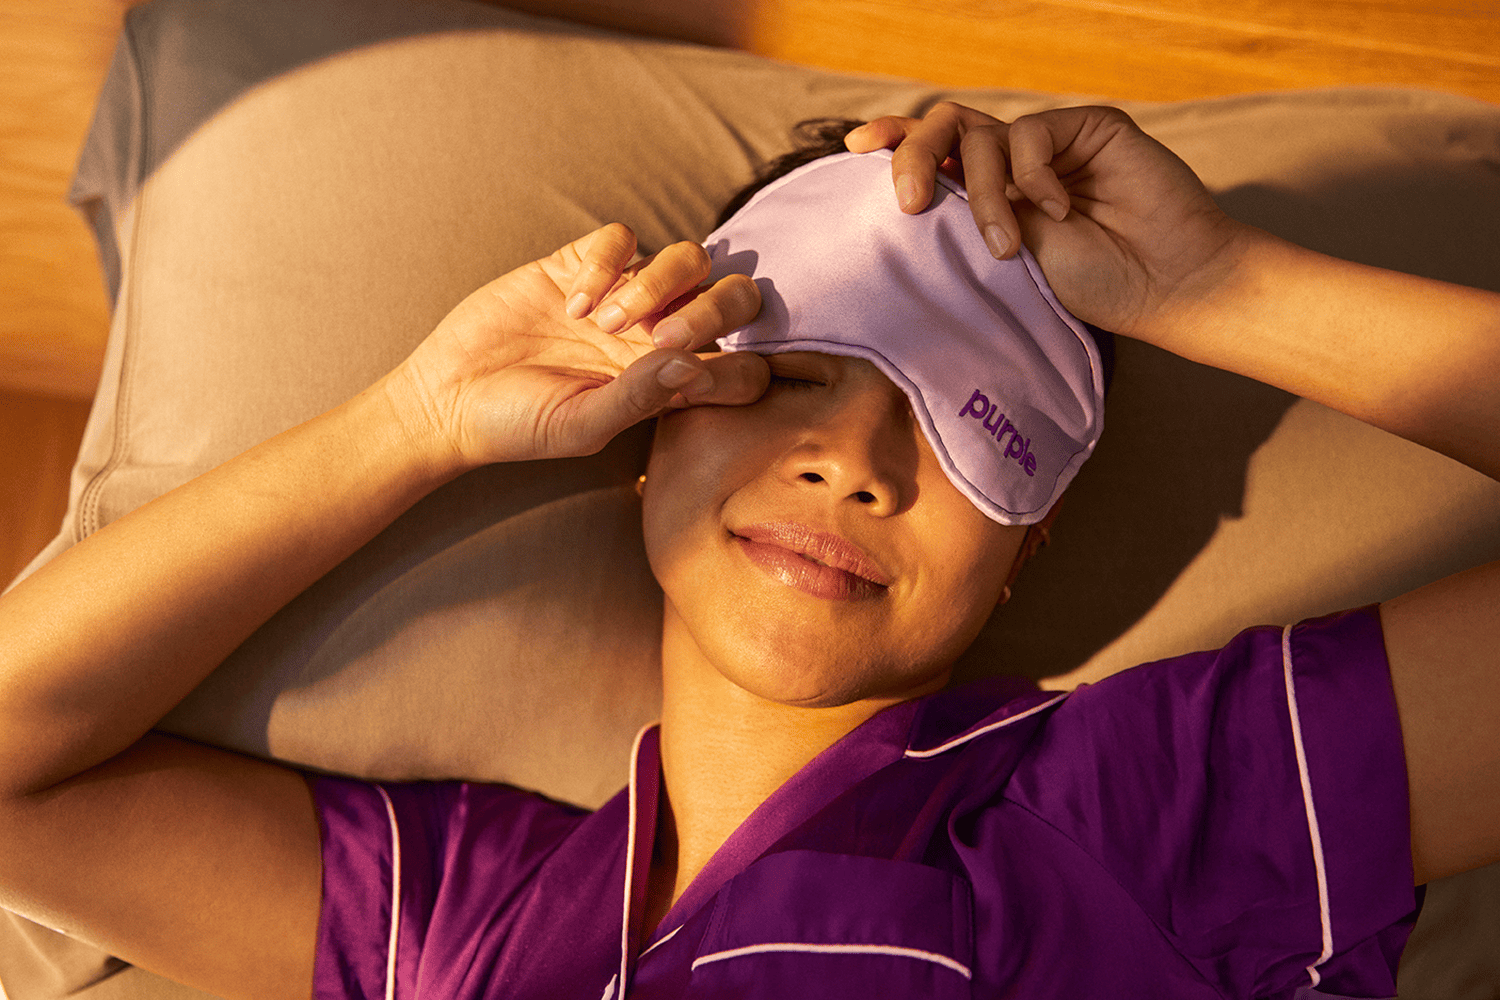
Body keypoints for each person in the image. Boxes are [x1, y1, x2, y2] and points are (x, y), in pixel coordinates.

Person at [0, 101, 1495, 999]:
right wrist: (416, 418)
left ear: (1027, 547)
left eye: (966, 422)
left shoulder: (1147, 811)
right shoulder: (465, 925)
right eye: (790, 377)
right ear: (650, 425)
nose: (853, 461)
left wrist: (1218, 289)